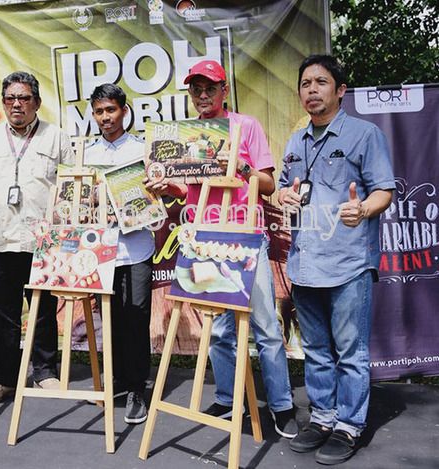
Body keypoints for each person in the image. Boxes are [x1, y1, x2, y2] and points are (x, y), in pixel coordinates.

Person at [148, 60, 297, 438]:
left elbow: (267, 185)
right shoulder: (190, 134)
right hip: (205, 240)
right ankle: (229, 399)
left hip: (247, 237)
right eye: (196, 89)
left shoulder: (246, 126)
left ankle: (281, 405)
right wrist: (168, 187)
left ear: (224, 91)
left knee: (265, 327)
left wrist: (240, 166)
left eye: (210, 88)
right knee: (218, 330)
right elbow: (189, 189)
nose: (203, 95)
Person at [278, 55, 394, 465]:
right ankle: (322, 418)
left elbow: (384, 191)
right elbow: (283, 187)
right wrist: (283, 195)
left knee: (350, 350)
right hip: (304, 264)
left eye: (321, 82)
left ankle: (349, 425)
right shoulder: (295, 142)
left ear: (340, 90)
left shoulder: (365, 135)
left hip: (347, 264)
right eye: (305, 83)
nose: (312, 90)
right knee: (315, 349)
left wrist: (363, 209)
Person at [0, 71, 73, 405]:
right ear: (4, 102)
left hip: (43, 241)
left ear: (36, 102)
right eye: (10, 98)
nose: (17, 104)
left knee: (43, 309)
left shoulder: (56, 137)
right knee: (4, 313)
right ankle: (4, 379)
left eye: (24, 98)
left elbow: (72, 183)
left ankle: (45, 373)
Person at [83, 83, 154, 424]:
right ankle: (116, 381)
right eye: (99, 112)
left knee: (136, 317)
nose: (105, 117)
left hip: (137, 247)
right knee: (109, 318)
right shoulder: (86, 155)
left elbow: (156, 198)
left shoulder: (143, 150)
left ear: (124, 111)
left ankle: (137, 388)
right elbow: (78, 199)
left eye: (111, 110)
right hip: (102, 251)